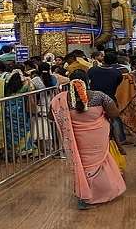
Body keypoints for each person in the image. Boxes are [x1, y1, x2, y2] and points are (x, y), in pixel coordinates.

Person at [50, 70, 125, 209]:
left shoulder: (60, 99)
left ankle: (83, 195)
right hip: (97, 138)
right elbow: (114, 113)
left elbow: (51, 116)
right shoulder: (99, 96)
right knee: (98, 164)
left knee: (81, 165)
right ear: (88, 81)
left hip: (76, 139)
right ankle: (99, 193)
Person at [88, 51, 127, 143]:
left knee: (96, 118)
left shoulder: (93, 70)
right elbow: (118, 83)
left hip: (94, 97)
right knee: (115, 118)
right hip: (110, 96)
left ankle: (98, 137)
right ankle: (120, 138)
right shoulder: (117, 73)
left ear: (104, 59)